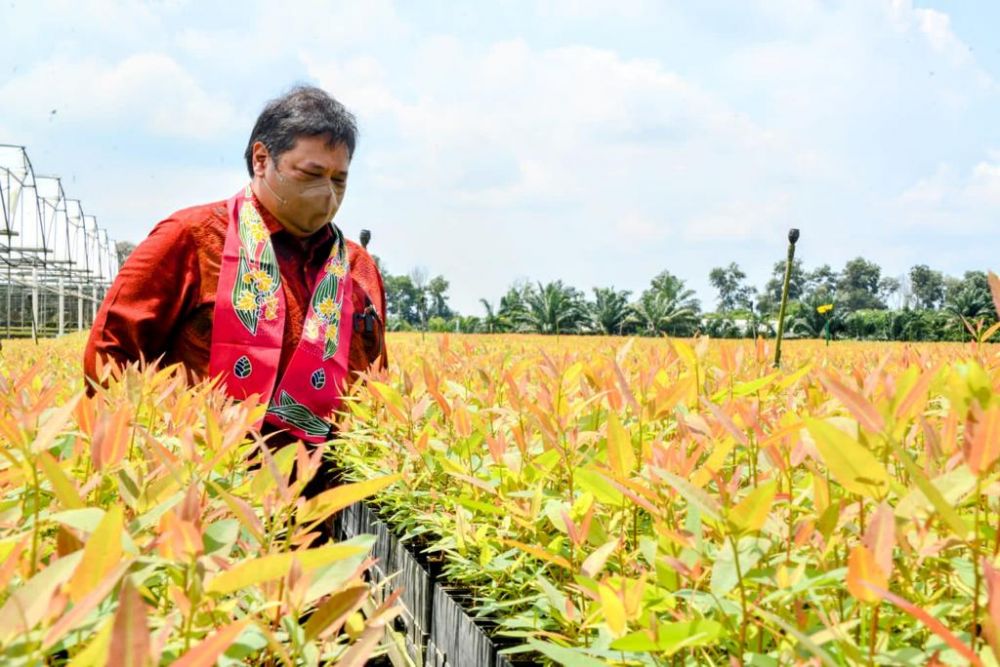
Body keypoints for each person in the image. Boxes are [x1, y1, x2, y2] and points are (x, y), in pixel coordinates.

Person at [84, 86, 386, 446]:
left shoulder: (356, 266)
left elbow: (375, 387)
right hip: (212, 480)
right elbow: (109, 355)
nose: (327, 194)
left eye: (339, 179)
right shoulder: (190, 239)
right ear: (261, 159)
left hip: (328, 490)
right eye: (311, 174)